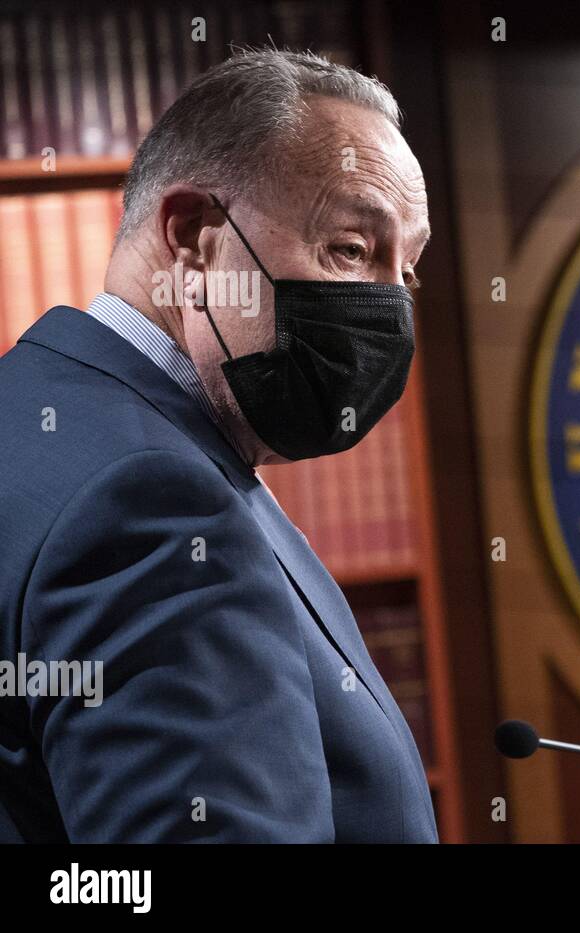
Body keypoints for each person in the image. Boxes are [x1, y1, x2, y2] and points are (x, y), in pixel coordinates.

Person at [0, 49, 437, 842]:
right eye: (349, 249)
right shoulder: (155, 504)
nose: (391, 306)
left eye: (407, 268)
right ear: (195, 239)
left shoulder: (30, 419)